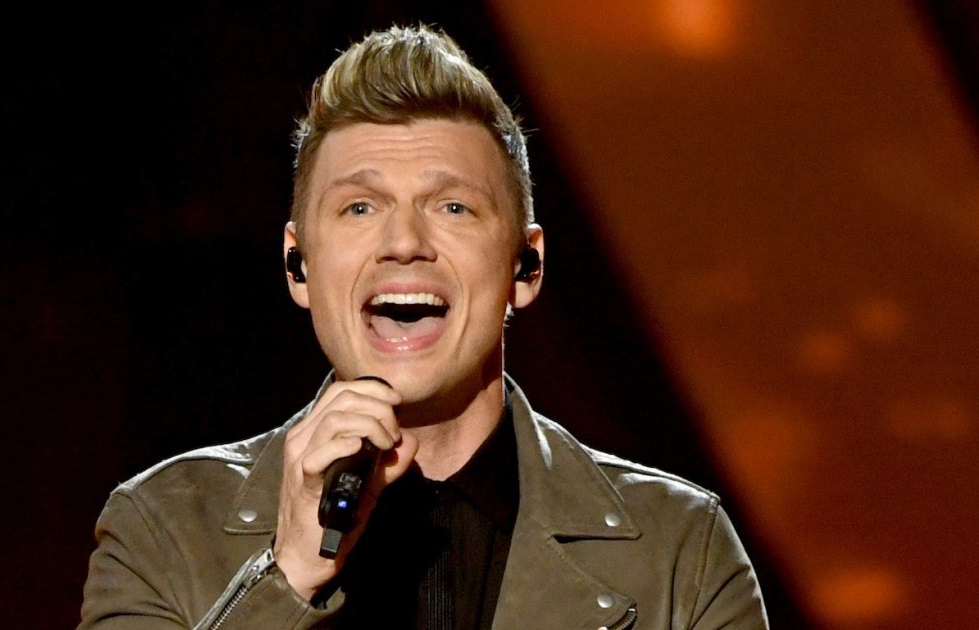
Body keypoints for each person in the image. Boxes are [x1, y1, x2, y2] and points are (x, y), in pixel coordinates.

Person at [78, 24, 769, 629]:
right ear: (298, 266)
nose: (404, 242)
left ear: (525, 267)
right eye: (359, 208)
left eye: (453, 207)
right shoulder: (163, 530)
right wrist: (285, 577)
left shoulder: (680, 550)